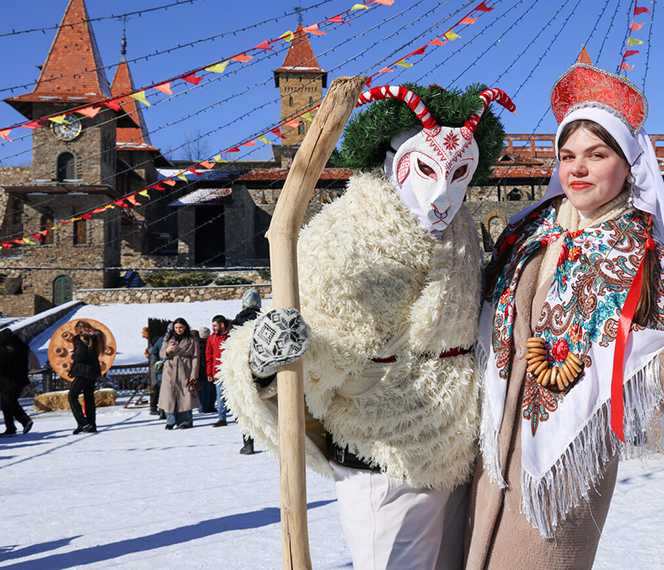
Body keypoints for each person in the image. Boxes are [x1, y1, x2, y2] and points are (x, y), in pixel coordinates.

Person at [464, 62, 664, 570]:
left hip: (564, 461)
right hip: (484, 442)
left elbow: (657, 378)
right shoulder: (526, 232)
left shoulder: (642, 255)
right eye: (567, 156)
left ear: (629, 164)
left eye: (597, 154)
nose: (577, 169)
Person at [220, 83, 515, 569]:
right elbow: (316, 341)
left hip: (460, 452)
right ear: (388, 157)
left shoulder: (461, 229)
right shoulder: (340, 237)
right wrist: (261, 355)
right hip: (382, 453)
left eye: (459, 173)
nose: (443, 192)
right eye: (424, 168)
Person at [228, 288, 262, 455]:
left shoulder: (235, 322)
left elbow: (228, 348)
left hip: (241, 370)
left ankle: (248, 442)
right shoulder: (264, 319)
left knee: (244, 409)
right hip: (263, 369)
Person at [159, 318, 199, 430]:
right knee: (169, 396)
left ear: (185, 327)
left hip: (185, 369)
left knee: (185, 396)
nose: (178, 330)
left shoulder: (192, 340)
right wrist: (168, 349)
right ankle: (170, 421)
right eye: (176, 328)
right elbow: (161, 354)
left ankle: (186, 421)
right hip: (170, 369)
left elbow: (195, 357)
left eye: (181, 327)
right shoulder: (168, 338)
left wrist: (194, 373)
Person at [67, 320, 104, 434]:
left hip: (82, 371)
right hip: (93, 370)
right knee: (89, 398)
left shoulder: (79, 339)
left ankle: (83, 422)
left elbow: (82, 355)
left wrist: (72, 355)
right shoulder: (97, 337)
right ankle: (91, 424)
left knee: (72, 396)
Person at [0, 329, 34, 438]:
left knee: (6, 404)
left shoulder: (6, 351)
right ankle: (24, 422)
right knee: (12, 403)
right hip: (19, 380)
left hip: (8, 381)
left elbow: (2, 367)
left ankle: (12, 428)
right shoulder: (21, 348)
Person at [207, 315, 230, 427]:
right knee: (220, 396)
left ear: (222, 325)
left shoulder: (230, 336)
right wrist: (209, 372)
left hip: (230, 371)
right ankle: (222, 418)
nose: (213, 328)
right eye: (212, 326)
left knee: (234, 395)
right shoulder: (212, 338)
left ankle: (238, 416)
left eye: (215, 325)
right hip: (217, 371)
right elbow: (209, 356)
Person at [196, 326, 216, 413]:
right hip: (206, 371)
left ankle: (204, 407)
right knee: (209, 391)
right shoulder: (208, 344)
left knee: (203, 392)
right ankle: (206, 407)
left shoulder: (196, 344)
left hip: (200, 372)